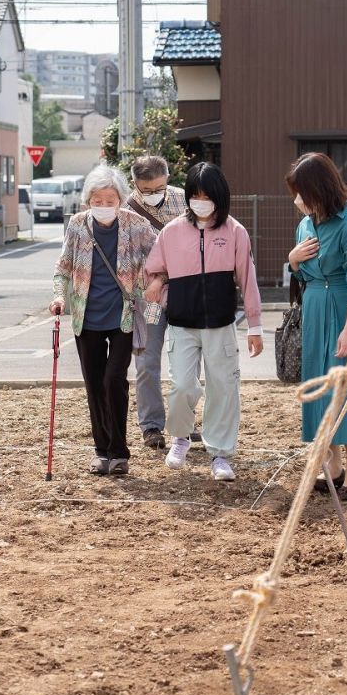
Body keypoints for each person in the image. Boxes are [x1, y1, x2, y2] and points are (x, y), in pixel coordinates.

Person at [144, 163, 264, 481]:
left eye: (206, 196)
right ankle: (181, 438)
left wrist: (255, 325)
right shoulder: (171, 232)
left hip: (221, 325)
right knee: (182, 385)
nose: (200, 201)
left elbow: (247, 279)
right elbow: (154, 270)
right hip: (182, 324)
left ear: (219, 198)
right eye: (194, 195)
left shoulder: (235, 232)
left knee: (223, 388)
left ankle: (220, 454)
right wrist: (160, 287)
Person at [50, 164, 157, 476]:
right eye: (98, 199)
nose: (104, 205)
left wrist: (156, 280)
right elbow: (63, 266)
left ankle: (119, 451)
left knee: (114, 380)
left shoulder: (135, 225)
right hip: (87, 315)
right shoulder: (77, 225)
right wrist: (59, 295)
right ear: (88, 200)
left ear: (120, 199)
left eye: (110, 199)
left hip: (123, 314)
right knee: (94, 385)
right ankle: (102, 450)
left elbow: (162, 251)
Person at [286, 152, 347, 501]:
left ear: (319, 190)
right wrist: (293, 261)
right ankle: (333, 463)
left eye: (301, 192)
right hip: (314, 308)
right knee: (321, 386)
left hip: (345, 309)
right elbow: (303, 273)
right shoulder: (306, 224)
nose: (297, 200)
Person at [124, 155, 189, 451]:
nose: (153, 194)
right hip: (146, 298)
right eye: (146, 190)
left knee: (186, 363)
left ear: (167, 178)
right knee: (147, 362)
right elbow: (126, 261)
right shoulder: (126, 209)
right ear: (134, 184)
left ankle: (183, 425)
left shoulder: (183, 201)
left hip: (182, 293)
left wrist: (161, 276)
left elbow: (191, 249)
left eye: (158, 187)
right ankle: (151, 426)